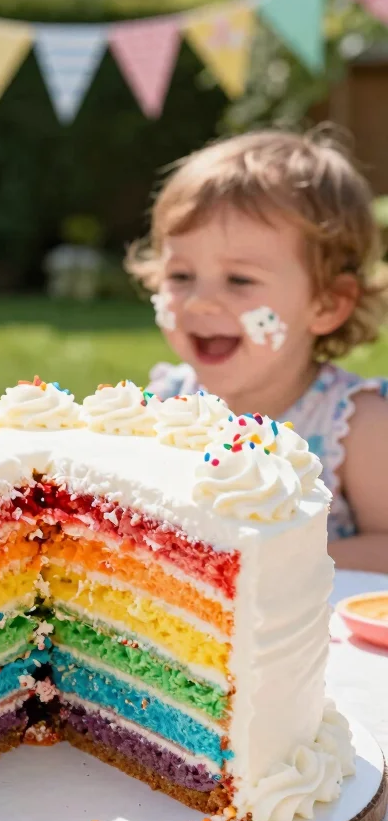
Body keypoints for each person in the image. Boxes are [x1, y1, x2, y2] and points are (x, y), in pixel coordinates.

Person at [127, 128, 388, 572]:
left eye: (240, 280)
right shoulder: (164, 406)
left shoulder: (356, 426)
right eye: (181, 276)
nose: (199, 302)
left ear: (326, 303)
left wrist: (266, 564)